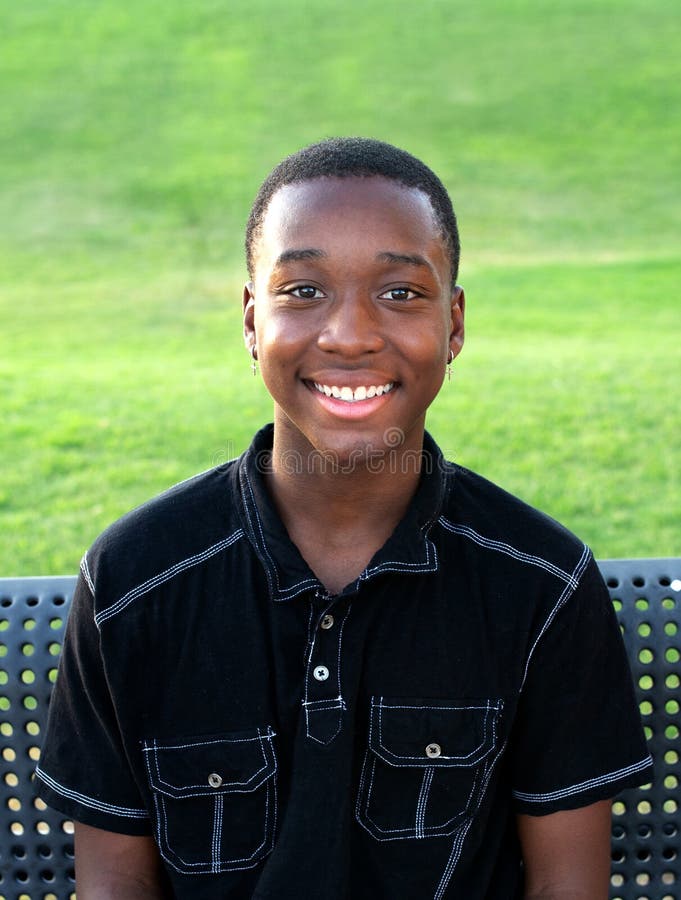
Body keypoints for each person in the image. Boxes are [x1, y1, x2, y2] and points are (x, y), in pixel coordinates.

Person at [36, 137, 652, 899]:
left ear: (454, 324)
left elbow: (567, 887)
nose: (350, 334)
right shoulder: (134, 581)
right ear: (250, 319)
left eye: (399, 294)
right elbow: (114, 888)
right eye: (302, 291)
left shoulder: (540, 587)